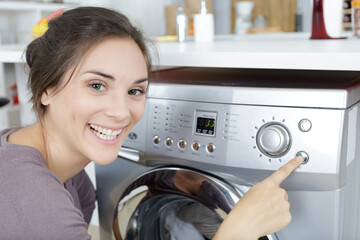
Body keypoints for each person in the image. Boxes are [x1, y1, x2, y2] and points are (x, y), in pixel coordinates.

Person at [0, 6, 303, 240]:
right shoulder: (37, 203)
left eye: (135, 91)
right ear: (46, 90)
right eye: (96, 85)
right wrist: (237, 231)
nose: (121, 112)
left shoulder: (41, 158)